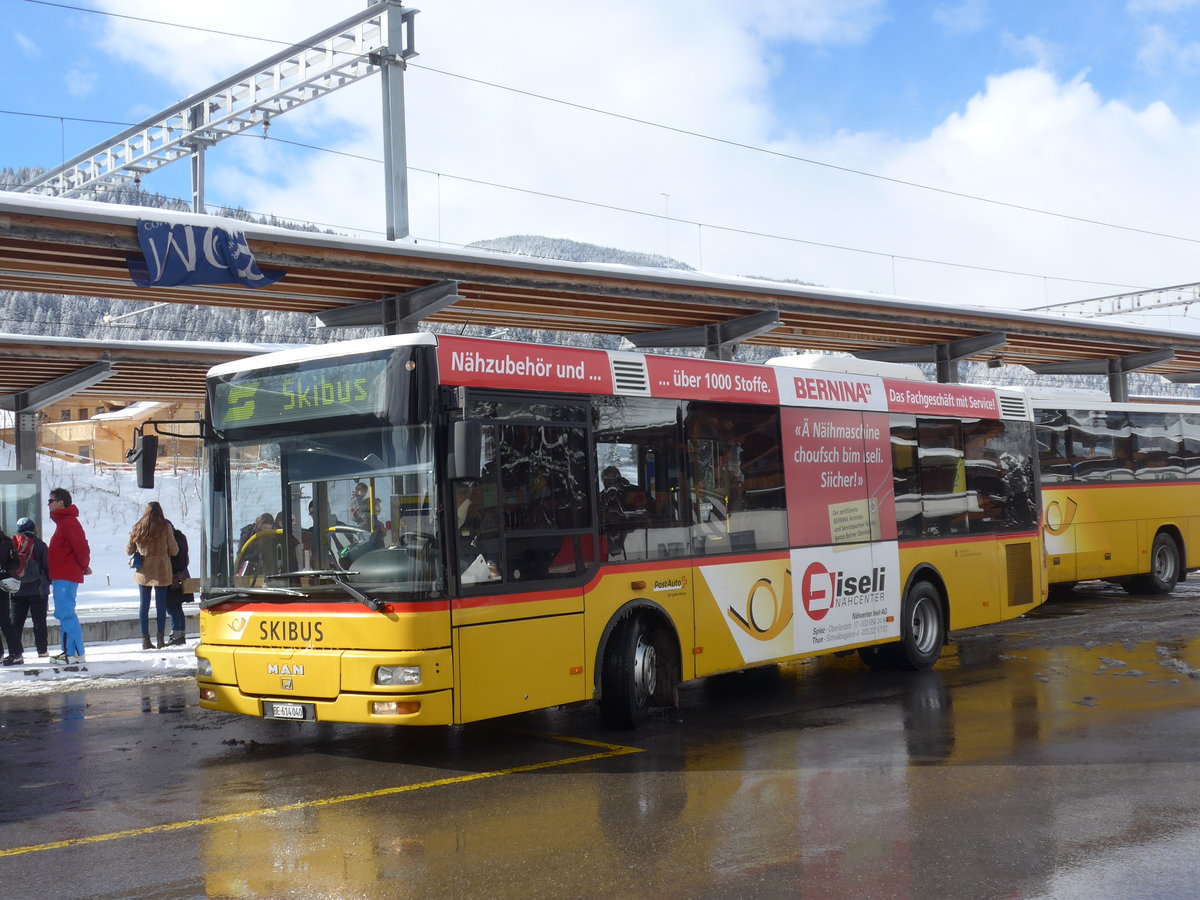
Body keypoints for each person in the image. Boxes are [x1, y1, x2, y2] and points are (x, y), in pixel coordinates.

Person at [125, 501, 179, 651]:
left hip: (143, 571)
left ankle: (145, 639)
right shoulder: (165, 528)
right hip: (161, 571)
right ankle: (160, 639)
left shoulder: (137, 527)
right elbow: (174, 551)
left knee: (144, 605)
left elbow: (129, 550)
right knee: (160, 606)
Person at [48, 487, 90, 664]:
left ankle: (74, 653)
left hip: (66, 575)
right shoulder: (64, 522)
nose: (49, 504)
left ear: (61, 502)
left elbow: (81, 546)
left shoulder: (68, 522)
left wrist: (84, 565)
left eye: (51, 500)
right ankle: (71, 652)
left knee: (66, 613)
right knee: (64, 613)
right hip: (63, 575)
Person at [9, 517, 50, 663]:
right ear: (34, 529)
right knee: (39, 621)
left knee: (16, 622)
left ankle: (16, 651)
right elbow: (47, 566)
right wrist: (48, 582)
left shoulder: (12, 545)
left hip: (17, 589)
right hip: (38, 589)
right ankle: (42, 651)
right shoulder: (40, 545)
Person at [164, 525, 192, 647]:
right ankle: (181, 634)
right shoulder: (181, 537)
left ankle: (176, 635)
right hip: (183, 574)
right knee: (178, 607)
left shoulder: (170, 540)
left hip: (173, 577)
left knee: (171, 606)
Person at [0, 526, 19, 666]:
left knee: (4, 620)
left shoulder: (6, 542)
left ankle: (16, 652)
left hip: (2, 584)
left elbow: (15, 562)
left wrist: (6, 570)